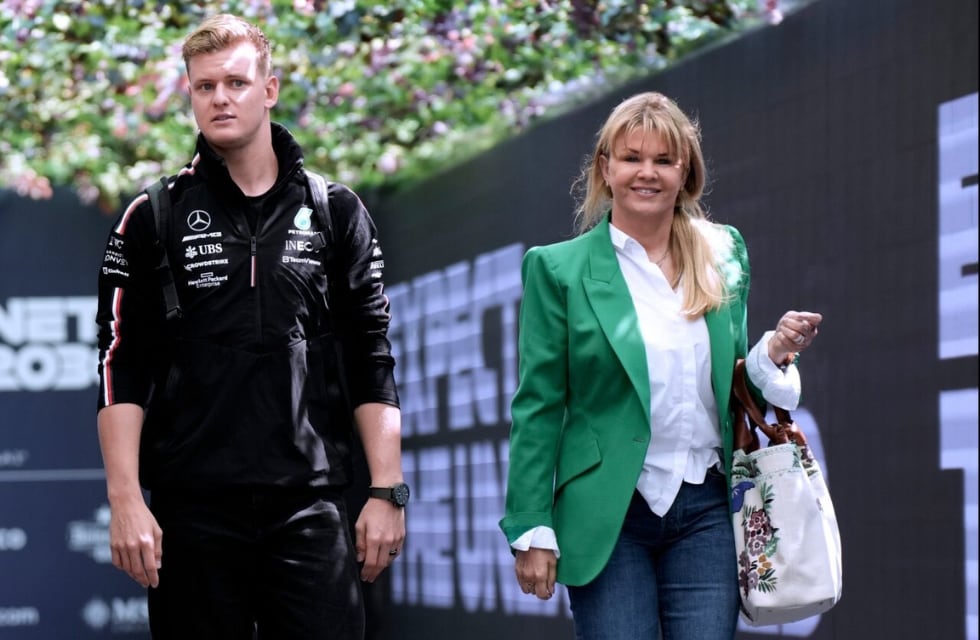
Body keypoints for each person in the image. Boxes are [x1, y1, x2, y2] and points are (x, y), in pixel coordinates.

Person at [95, 14, 408, 639]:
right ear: (189, 94)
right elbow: (117, 364)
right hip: (194, 509)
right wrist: (126, 499)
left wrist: (387, 491)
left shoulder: (335, 210)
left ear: (269, 90)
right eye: (204, 86)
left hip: (310, 506)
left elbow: (371, 356)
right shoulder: (152, 215)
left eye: (235, 83)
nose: (219, 98)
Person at [499, 91, 822, 640]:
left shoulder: (724, 252)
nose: (646, 173)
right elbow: (540, 404)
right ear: (606, 167)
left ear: (685, 171)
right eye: (631, 158)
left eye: (663, 160)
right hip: (608, 513)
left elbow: (734, 380)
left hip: (707, 509)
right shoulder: (557, 269)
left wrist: (771, 353)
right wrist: (530, 523)